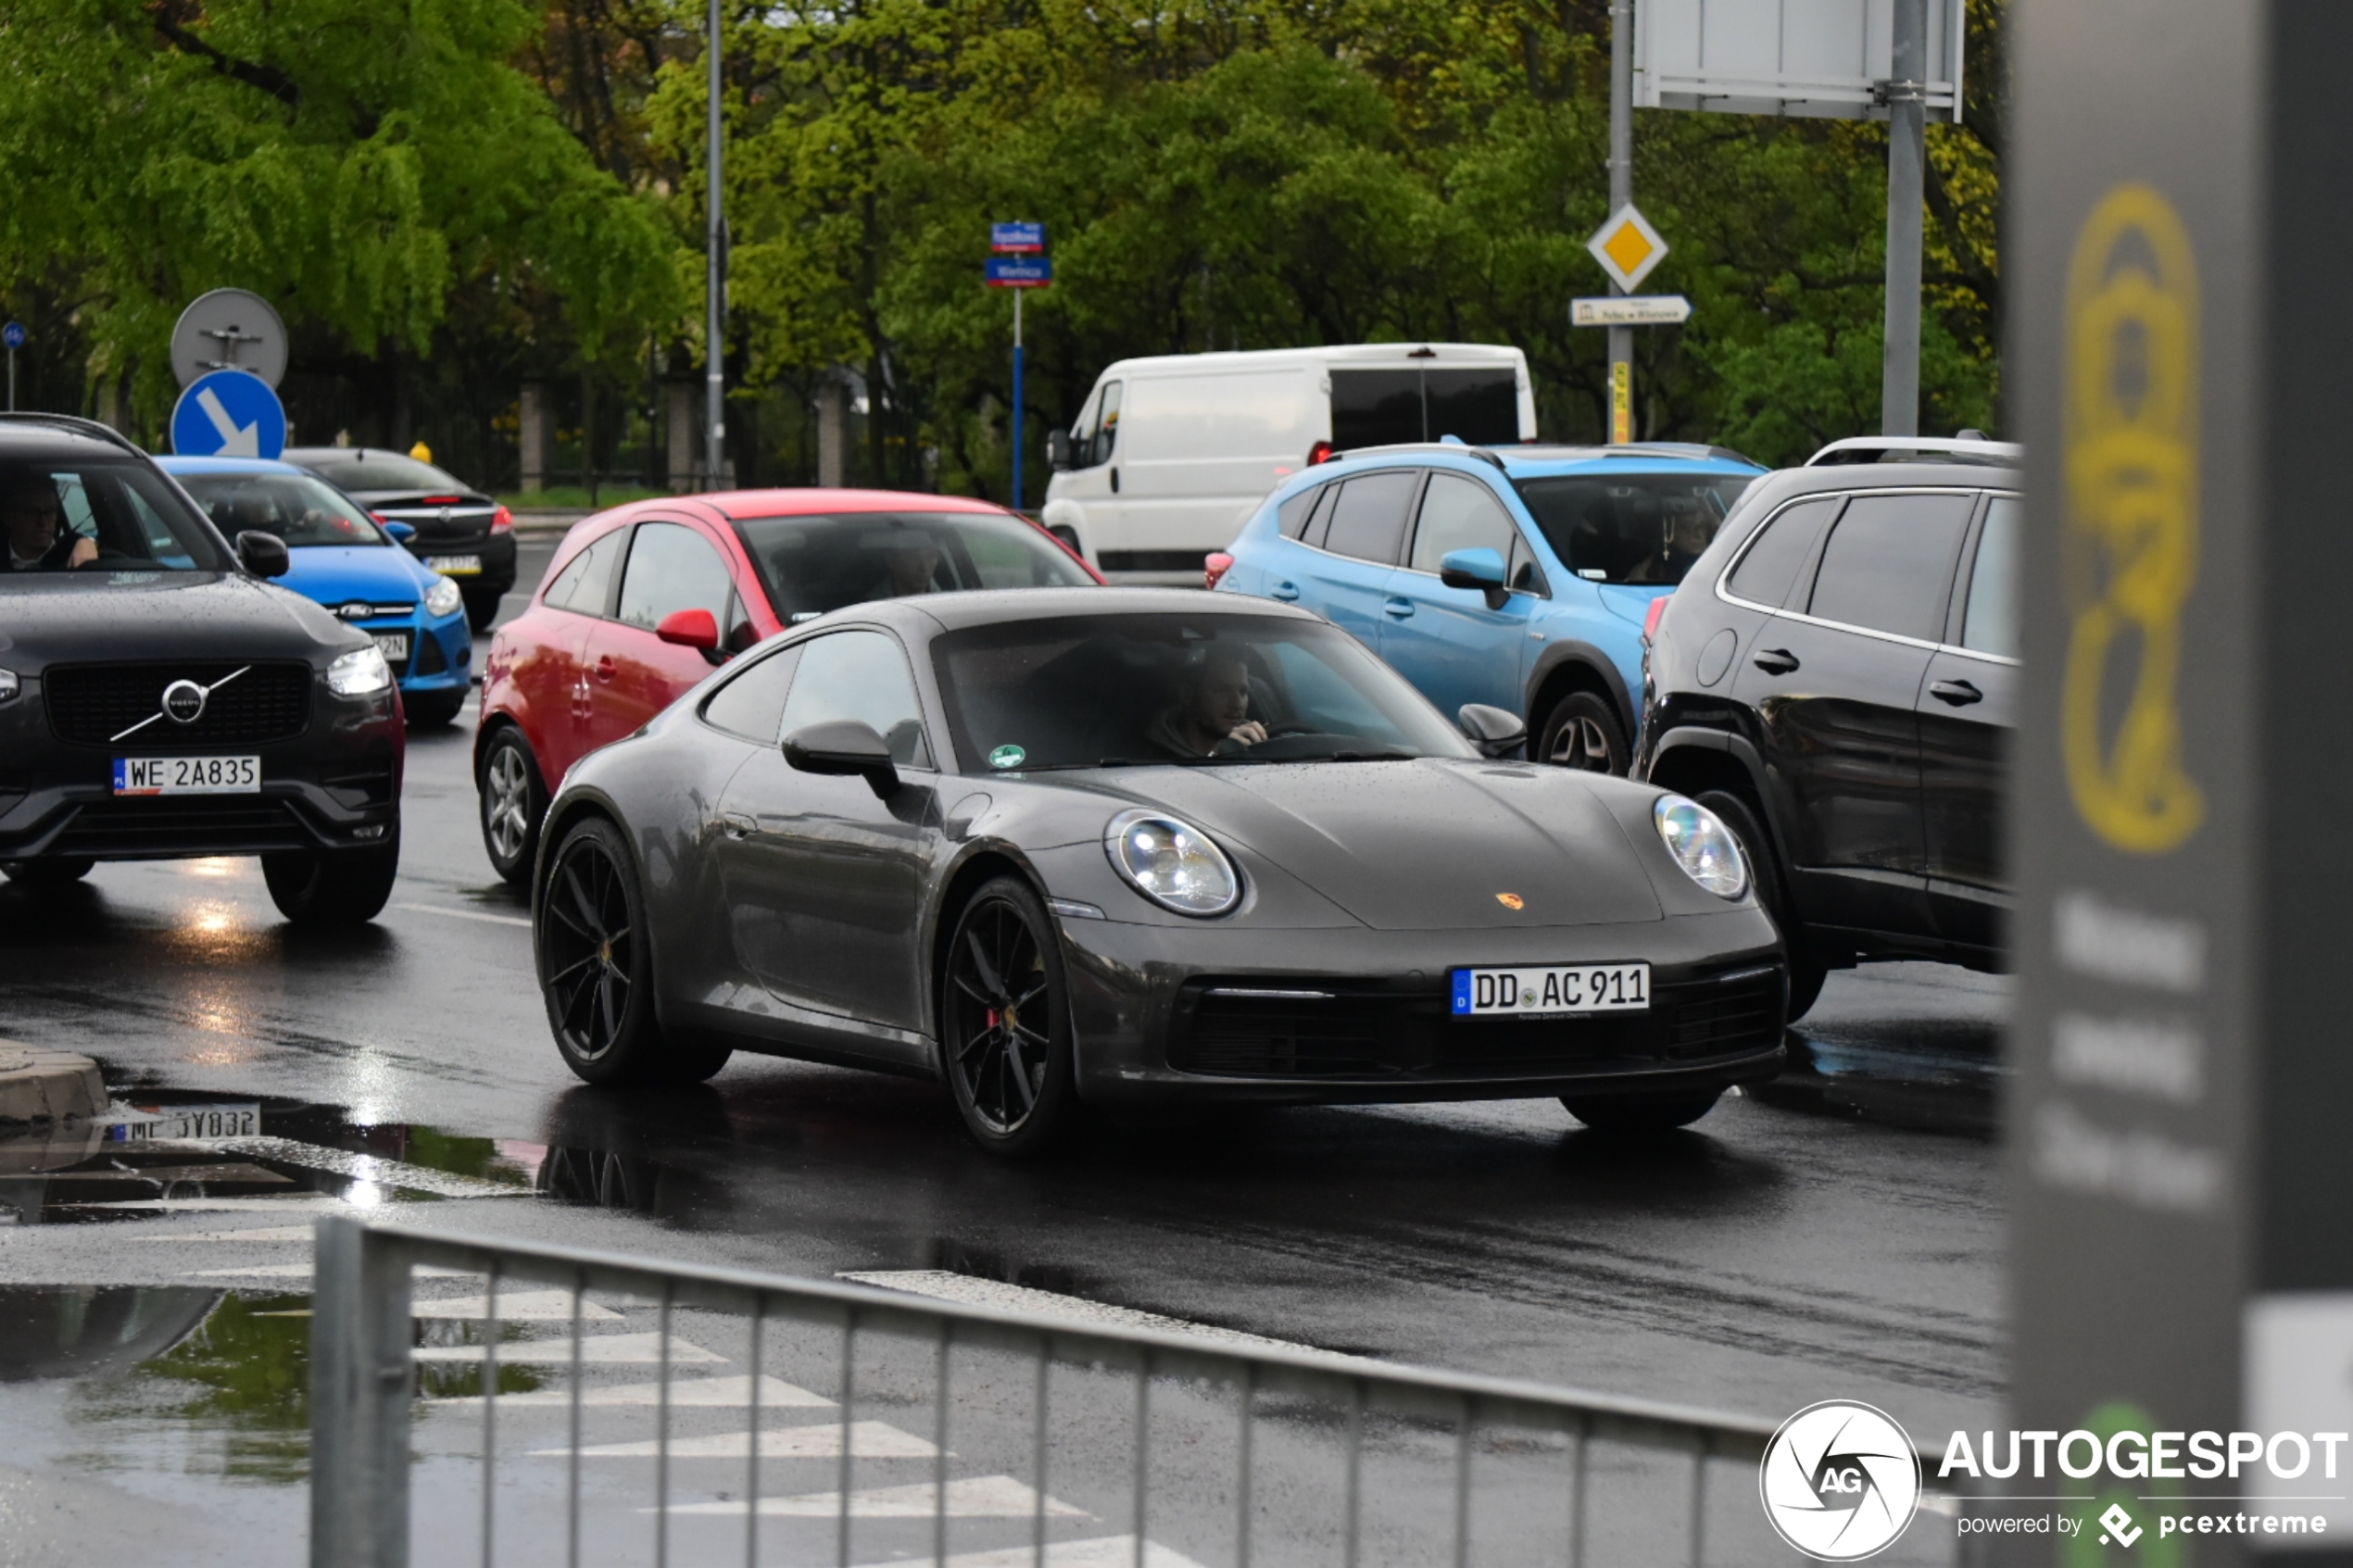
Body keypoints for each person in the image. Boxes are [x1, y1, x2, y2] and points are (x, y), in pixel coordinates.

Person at [1148, 649, 1268, 759]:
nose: (1237, 704)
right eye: (1223, 691)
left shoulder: (1253, 746)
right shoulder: (1147, 759)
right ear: (1186, 694)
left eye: (1243, 691)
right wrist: (1220, 756)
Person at [3, 472, 96, 571]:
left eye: (49, 512)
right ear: (9, 518)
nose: (42, 521)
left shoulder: (72, 549)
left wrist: (89, 543)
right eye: (33, 512)